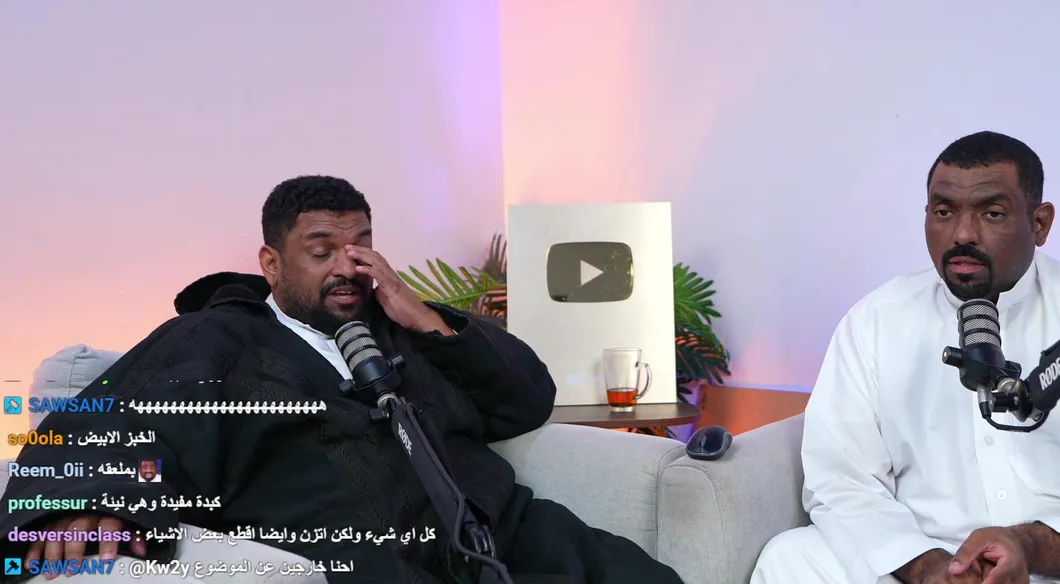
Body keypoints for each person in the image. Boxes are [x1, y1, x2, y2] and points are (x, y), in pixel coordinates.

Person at [0, 175, 683, 584]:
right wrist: (80, 502)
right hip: (362, 556)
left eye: (360, 247)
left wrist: (428, 321)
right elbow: (116, 422)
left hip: (502, 536)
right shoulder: (215, 340)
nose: (346, 266)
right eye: (321, 250)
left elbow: (526, 401)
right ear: (272, 262)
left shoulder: (402, 330)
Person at [751, 132, 1060, 584]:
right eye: (943, 212)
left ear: (1040, 223)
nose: (962, 234)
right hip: (927, 565)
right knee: (790, 559)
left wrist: (1028, 546)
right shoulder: (875, 322)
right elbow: (841, 479)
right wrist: (927, 566)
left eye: (991, 213)